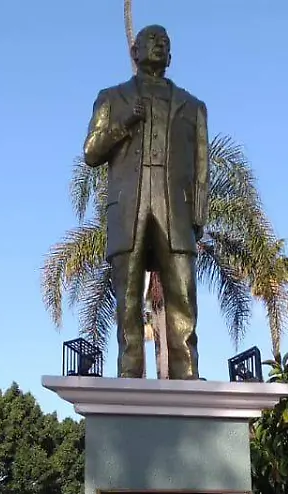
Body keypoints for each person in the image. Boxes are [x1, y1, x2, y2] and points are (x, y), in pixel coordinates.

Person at [83, 24, 209, 380]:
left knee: (183, 295)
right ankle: (129, 372)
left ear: (171, 56)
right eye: (151, 40)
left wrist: (198, 213)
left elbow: (202, 164)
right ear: (134, 51)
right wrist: (125, 121)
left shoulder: (193, 106)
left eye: (165, 42)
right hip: (129, 208)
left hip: (176, 209)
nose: (159, 45)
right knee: (128, 300)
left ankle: (187, 374)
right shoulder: (112, 99)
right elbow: (92, 152)